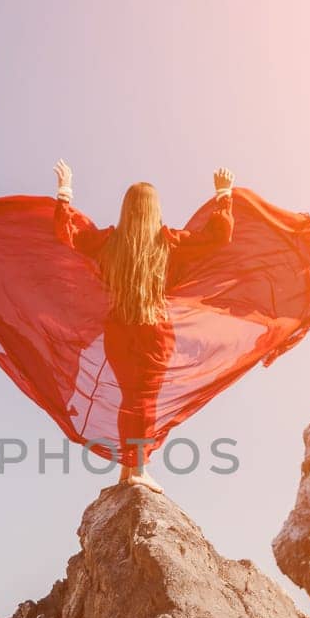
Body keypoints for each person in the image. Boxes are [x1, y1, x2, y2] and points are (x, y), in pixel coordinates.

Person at [50, 159, 235, 491]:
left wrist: (65, 193)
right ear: (155, 210)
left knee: (130, 400)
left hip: (119, 330)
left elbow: (69, 236)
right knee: (144, 400)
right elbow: (219, 237)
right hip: (153, 329)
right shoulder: (168, 242)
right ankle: (137, 469)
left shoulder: (108, 243)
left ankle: (128, 468)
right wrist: (224, 194)